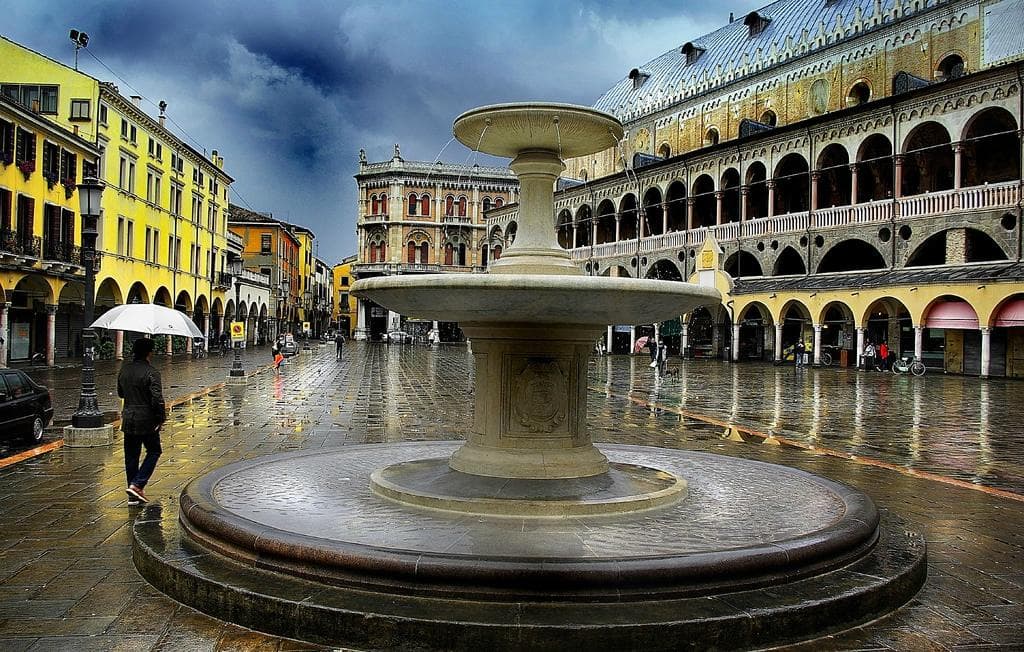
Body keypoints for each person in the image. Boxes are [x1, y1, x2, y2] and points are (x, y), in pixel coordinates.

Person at [117, 337, 166, 505]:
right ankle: (137, 485)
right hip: (147, 420)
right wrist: (161, 417)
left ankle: (132, 493)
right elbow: (157, 398)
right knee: (154, 451)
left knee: (131, 456)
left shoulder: (124, 370)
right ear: (149, 352)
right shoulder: (152, 372)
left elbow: (120, 393)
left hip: (129, 418)